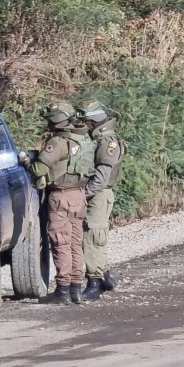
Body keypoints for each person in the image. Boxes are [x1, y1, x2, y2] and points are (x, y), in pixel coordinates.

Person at [21, 101, 96, 304]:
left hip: (61, 196)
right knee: (74, 244)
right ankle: (75, 288)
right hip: (79, 195)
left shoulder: (59, 142)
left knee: (60, 243)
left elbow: (39, 170)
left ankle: (62, 290)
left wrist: (26, 160)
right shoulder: (84, 138)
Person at [78, 101, 125, 300]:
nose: (84, 125)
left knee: (92, 237)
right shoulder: (101, 140)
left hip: (98, 194)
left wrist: (82, 195)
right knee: (97, 236)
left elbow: (101, 179)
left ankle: (94, 282)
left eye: (87, 121)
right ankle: (105, 277)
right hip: (98, 194)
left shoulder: (107, 143)